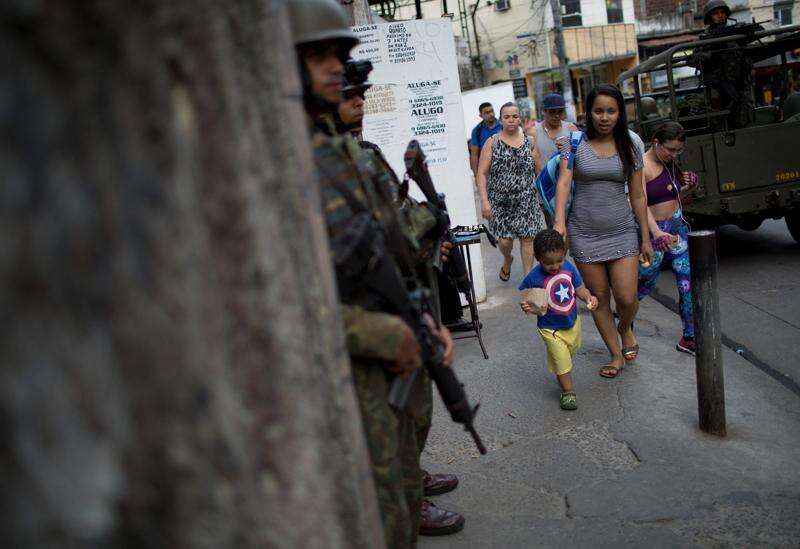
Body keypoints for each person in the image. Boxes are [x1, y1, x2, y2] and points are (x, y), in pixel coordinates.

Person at [291, 2, 456, 546]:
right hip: (335, 375)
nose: (338, 70)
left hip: (389, 351)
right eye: (319, 56)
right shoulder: (277, 161)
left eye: (338, 55)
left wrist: (421, 321)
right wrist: (377, 331)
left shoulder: (337, 153)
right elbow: (277, 301)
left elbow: (385, 250)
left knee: (398, 502)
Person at [335, 52, 466, 538]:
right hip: (373, 309)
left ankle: (413, 478)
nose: (359, 104)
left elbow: (397, 211)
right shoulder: (335, 162)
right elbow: (385, 230)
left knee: (418, 407)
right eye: (349, 96)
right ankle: (407, 494)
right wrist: (429, 221)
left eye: (361, 96)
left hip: (403, 293)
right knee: (399, 414)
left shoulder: (362, 151)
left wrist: (434, 231)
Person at [552, 84, 653, 379]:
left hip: (622, 231)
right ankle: (615, 353)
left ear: (619, 112)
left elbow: (637, 194)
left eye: (611, 111)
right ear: (589, 112)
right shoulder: (574, 143)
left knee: (626, 298)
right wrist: (559, 223)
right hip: (583, 232)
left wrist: (645, 237)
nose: (604, 117)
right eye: (598, 111)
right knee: (597, 297)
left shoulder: (631, 143)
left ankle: (625, 328)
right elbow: (564, 183)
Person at [637, 122, 698, 355]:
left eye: (678, 151)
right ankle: (624, 318)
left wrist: (688, 187)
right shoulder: (642, 165)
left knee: (687, 281)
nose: (674, 154)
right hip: (654, 233)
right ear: (656, 143)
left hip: (676, 229)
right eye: (670, 149)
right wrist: (655, 233)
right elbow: (640, 204)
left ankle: (689, 336)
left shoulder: (669, 162)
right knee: (645, 282)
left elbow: (669, 195)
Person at [519, 230, 598, 410]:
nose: (555, 266)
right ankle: (568, 392)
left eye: (559, 260)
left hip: (571, 322)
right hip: (549, 328)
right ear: (538, 258)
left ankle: (560, 368)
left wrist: (588, 297)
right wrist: (527, 306)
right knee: (562, 360)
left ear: (564, 254)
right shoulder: (534, 276)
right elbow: (525, 298)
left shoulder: (568, 268)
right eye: (548, 263)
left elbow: (580, 288)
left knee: (572, 350)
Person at [477, 102, 546, 281]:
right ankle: (507, 258)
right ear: (501, 120)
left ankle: (528, 280)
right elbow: (481, 173)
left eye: (515, 116)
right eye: (507, 117)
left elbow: (540, 172)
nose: (511, 120)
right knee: (505, 242)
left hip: (526, 200)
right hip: (500, 202)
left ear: (520, 119)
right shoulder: (492, 142)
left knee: (528, 239)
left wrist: (548, 197)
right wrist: (485, 202)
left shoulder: (529, 142)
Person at [528, 93, 579, 176]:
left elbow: (580, 157)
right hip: (544, 181)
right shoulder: (533, 132)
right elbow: (533, 161)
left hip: (569, 180)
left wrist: (569, 147)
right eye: (552, 112)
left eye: (560, 111)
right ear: (543, 111)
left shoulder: (571, 129)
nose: (557, 115)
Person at [469, 102, 502, 178]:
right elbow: (474, 155)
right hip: (487, 172)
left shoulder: (503, 126)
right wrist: (476, 175)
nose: (491, 114)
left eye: (492, 111)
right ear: (481, 115)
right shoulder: (477, 131)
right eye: (487, 112)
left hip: (506, 168)